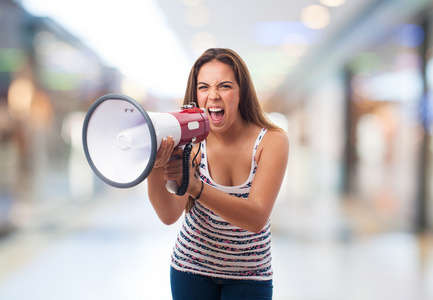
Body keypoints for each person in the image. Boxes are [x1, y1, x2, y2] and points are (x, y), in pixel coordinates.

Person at [147, 48, 289, 300]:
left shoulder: (272, 141)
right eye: (204, 87)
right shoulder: (189, 139)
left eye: (224, 86)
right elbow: (169, 215)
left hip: (250, 275)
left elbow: (256, 219)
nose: (213, 95)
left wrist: (196, 188)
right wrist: (154, 167)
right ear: (196, 94)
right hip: (190, 268)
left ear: (241, 92)